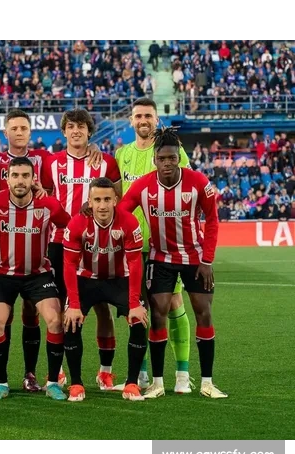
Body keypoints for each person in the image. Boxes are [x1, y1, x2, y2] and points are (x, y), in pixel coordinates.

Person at [118, 127, 227, 399]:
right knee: (158, 315)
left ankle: (207, 383)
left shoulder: (199, 182)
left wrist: (207, 260)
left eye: (172, 158)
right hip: (160, 258)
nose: (167, 163)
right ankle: (157, 383)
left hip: (195, 259)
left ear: (179, 158)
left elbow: (213, 221)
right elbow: (120, 212)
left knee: (204, 313)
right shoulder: (143, 186)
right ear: (154, 159)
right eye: (162, 158)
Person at [112, 97, 193, 393]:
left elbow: (188, 188)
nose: (143, 120)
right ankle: (142, 375)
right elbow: (117, 196)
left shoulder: (171, 150)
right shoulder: (121, 154)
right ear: (131, 121)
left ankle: (182, 375)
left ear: (156, 120)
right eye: (138, 116)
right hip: (130, 247)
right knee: (138, 308)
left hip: (164, 245)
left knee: (172, 304)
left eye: (148, 115)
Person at [0, 157, 69, 401]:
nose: (20, 180)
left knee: (55, 321)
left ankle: (52, 382)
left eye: (25, 175)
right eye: (15, 175)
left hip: (38, 274)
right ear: (7, 179)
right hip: (3, 274)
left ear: (33, 179)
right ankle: (1, 383)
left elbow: (69, 225)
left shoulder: (48, 204)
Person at [40, 108, 122, 390]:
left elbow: (118, 198)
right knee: (60, 308)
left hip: (98, 244)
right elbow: (46, 199)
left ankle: (105, 371)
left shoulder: (106, 163)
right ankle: (60, 370)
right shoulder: (50, 163)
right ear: (64, 131)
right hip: (59, 243)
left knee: (102, 307)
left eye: (81, 126)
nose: (76, 131)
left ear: (89, 131)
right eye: (71, 126)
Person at [63, 177, 148, 402]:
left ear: (115, 200)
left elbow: (135, 263)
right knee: (71, 321)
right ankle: (76, 384)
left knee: (139, 320)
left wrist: (134, 303)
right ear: (89, 202)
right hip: (86, 279)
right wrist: (73, 304)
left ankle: (131, 384)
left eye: (107, 199)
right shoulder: (77, 223)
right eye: (98, 200)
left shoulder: (129, 222)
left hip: (119, 279)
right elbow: (69, 264)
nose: (102, 205)